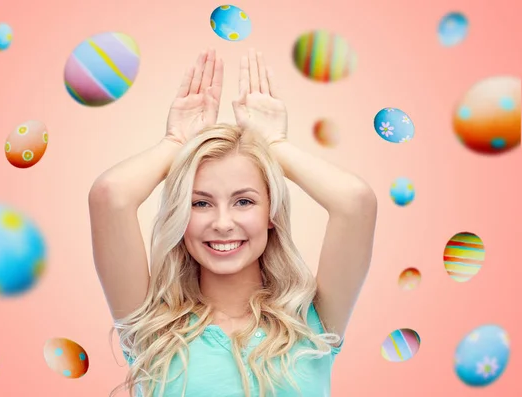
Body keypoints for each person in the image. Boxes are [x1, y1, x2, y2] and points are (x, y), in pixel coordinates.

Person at [89, 48, 378, 397]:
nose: (223, 223)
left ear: (271, 213)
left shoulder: (312, 322)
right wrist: (176, 143)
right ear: (181, 214)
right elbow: (110, 196)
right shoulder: (152, 327)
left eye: (244, 201)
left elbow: (355, 202)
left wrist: (274, 144)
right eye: (200, 203)